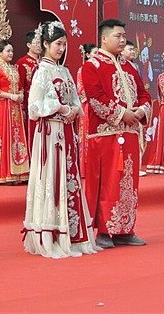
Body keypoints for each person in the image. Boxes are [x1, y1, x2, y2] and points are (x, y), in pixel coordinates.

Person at [22, 21, 99, 258]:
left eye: (64, 45)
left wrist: (73, 109)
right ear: (45, 44)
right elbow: (33, 108)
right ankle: (51, 234)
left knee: (70, 180)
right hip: (49, 135)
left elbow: (77, 100)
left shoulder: (64, 71)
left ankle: (73, 235)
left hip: (67, 133)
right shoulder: (41, 72)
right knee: (52, 181)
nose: (61, 49)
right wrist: (60, 108)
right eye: (57, 44)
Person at [82, 19, 152, 248]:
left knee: (128, 183)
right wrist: (122, 113)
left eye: (124, 36)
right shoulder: (92, 66)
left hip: (129, 133)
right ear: (104, 38)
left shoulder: (130, 67)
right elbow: (95, 98)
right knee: (106, 182)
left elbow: (144, 94)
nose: (122, 40)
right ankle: (103, 231)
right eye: (117, 36)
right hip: (105, 134)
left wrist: (141, 111)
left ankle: (125, 229)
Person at [0, 39, 30, 184]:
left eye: (12, 51)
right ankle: (1, 174)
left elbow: (20, 86)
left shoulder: (13, 68)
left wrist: (20, 96)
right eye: (8, 51)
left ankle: (17, 173)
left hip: (14, 108)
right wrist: (11, 96)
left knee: (15, 139)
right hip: (1, 108)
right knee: (2, 138)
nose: (11, 53)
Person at [16, 30, 41, 151]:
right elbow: (19, 86)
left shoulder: (43, 63)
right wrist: (22, 107)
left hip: (43, 104)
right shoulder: (22, 63)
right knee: (30, 134)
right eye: (35, 43)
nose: (38, 45)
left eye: (40, 43)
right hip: (29, 104)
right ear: (28, 45)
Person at [76, 43, 98, 174]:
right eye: (95, 53)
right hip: (88, 105)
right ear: (88, 55)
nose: (97, 56)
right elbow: (80, 89)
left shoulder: (99, 68)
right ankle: (87, 166)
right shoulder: (82, 69)